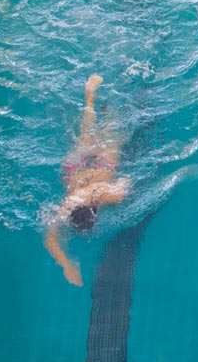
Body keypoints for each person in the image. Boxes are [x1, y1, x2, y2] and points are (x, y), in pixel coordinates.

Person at [45, 74, 133, 285]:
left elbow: (126, 181)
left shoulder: (104, 195)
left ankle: (107, 104)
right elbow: (50, 241)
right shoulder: (67, 207)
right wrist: (66, 266)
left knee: (113, 132)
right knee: (87, 136)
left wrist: (68, 267)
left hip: (103, 167)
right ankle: (90, 99)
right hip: (73, 170)